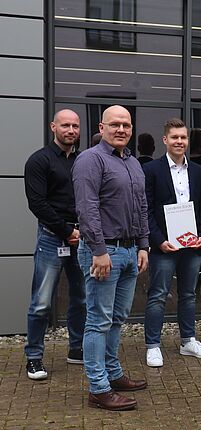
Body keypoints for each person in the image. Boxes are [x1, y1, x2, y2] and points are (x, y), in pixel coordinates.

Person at [72, 105, 149, 411]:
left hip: (129, 251)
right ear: (101, 128)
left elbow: (142, 205)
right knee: (98, 320)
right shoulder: (91, 160)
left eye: (126, 125)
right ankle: (98, 388)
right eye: (115, 124)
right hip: (104, 252)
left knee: (117, 319)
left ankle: (113, 373)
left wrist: (143, 245)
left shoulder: (132, 162)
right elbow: (87, 208)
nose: (121, 129)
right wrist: (99, 251)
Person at [142, 119, 201, 367]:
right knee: (158, 295)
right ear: (165, 140)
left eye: (183, 138)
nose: (179, 142)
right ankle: (152, 345)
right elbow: (146, 210)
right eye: (175, 137)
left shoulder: (198, 171)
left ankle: (188, 341)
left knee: (189, 295)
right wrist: (159, 241)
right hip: (164, 247)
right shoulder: (151, 170)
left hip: (192, 246)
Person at [23, 109, 87, 380]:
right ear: (53, 127)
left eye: (75, 126)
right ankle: (34, 358)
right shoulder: (39, 160)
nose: (71, 130)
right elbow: (37, 203)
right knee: (41, 302)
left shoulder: (84, 161)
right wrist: (66, 230)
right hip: (52, 237)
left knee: (81, 298)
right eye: (65, 125)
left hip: (81, 239)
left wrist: (80, 231)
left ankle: (76, 349)